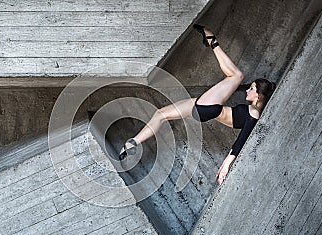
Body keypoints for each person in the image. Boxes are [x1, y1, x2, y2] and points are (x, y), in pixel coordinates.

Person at [118, 24, 275, 185]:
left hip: (210, 108)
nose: (248, 91)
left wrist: (226, 165)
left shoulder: (254, 115)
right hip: (200, 109)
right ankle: (132, 143)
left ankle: (211, 38)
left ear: (259, 95)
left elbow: (241, 141)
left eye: (252, 89)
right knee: (160, 114)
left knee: (237, 75)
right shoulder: (253, 109)